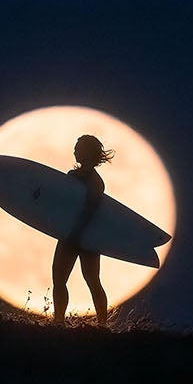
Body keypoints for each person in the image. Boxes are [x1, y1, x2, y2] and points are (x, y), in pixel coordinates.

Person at [52, 134, 114, 326]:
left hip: (87, 238)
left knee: (92, 280)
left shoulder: (96, 182)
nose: (74, 151)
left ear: (87, 152)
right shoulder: (71, 176)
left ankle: (103, 325)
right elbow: (62, 203)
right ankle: (59, 322)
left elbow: (90, 211)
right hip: (70, 235)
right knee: (59, 279)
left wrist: (75, 234)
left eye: (78, 147)